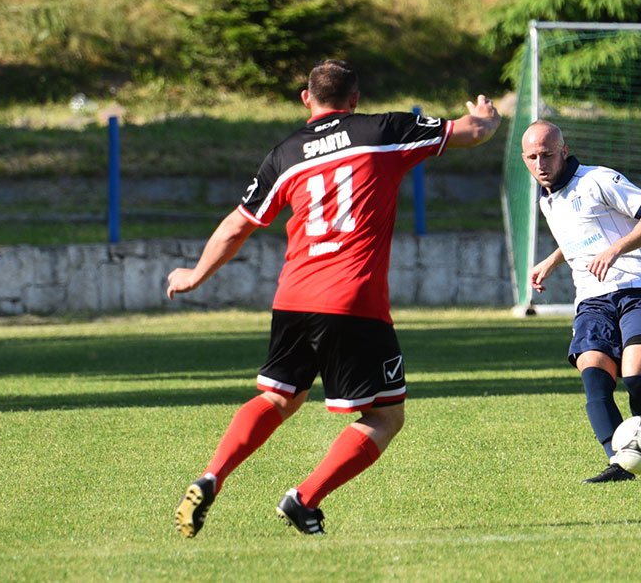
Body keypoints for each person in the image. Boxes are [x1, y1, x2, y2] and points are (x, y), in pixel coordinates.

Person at [169, 59, 501, 537]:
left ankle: (211, 475)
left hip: (293, 298)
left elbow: (238, 223)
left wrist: (195, 274)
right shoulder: (385, 129)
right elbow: (472, 131)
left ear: (308, 99)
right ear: (355, 99)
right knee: (385, 415)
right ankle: (304, 499)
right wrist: (487, 116)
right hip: (352, 300)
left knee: (278, 398)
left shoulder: (286, 154)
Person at [521, 120, 641, 483]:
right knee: (594, 374)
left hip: (640, 289)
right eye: (532, 157)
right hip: (592, 300)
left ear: (563, 150)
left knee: (636, 374)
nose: (540, 163)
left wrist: (615, 250)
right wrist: (551, 261)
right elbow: (582, 235)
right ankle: (621, 462)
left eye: (547, 154)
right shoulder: (548, 200)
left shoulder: (599, 180)